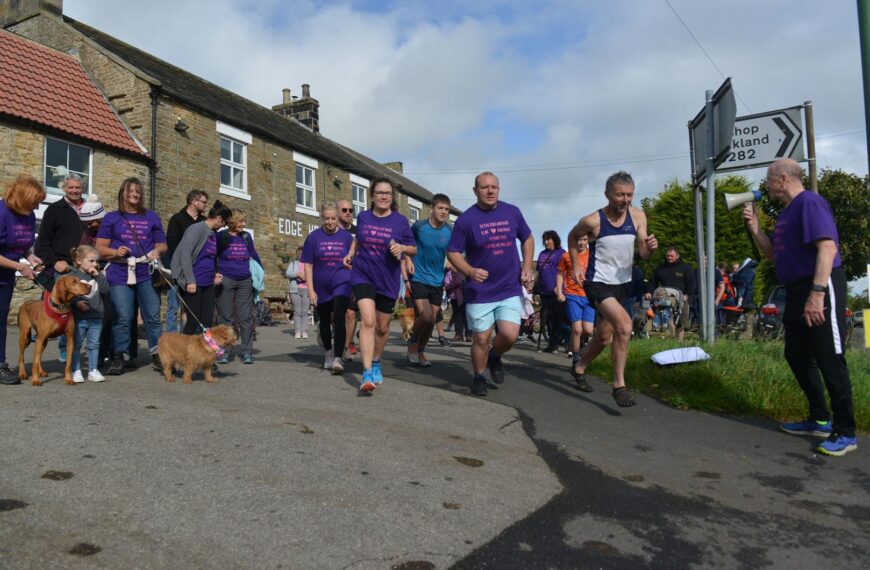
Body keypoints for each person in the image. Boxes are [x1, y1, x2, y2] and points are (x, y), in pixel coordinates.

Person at [743, 158, 856, 456]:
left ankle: (846, 432)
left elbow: (828, 248)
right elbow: (771, 256)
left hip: (820, 283)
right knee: (796, 354)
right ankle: (819, 417)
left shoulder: (810, 203)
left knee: (829, 357)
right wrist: (755, 229)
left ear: (782, 179)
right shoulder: (786, 213)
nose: (766, 185)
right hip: (795, 287)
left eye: (769, 179)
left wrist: (817, 293)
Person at [568, 171, 658, 408]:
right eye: (620, 195)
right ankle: (619, 386)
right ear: (607, 194)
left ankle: (579, 367)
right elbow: (572, 236)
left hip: (623, 284)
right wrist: (577, 265)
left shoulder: (638, 217)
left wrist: (651, 248)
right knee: (625, 326)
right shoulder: (593, 221)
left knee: (604, 337)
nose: (625, 200)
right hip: (597, 283)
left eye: (629, 195)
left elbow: (644, 253)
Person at [446, 172, 534, 397]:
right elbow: (453, 252)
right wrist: (469, 271)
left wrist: (526, 267)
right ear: (475, 191)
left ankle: (495, 356)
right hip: (479, 291)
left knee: (510, 334)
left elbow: (528, 238)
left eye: (494, 187)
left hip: (508, 288)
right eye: (485, 187)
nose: (490, 191)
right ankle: (479, 376)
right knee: (481, 337)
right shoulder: (466, 220)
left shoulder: (512, 212)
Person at [344, 178, 416, 393]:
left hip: (388, 278)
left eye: (387, 193)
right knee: (367, 321)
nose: (383, 196)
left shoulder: (400, 221)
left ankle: (376, 361)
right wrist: (350, 253)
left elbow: (414, 249)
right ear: (372, 196)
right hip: (363, 274)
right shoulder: (364, 217)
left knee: (382, 327)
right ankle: (366, 373)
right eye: (379, 192)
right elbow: (359, 239)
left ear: (392, 197)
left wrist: (401, 247)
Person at [96, 177, 168, 375]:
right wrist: (114, 251)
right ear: (123, 193)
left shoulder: (152, 217)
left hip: (146, 272)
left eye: (138, 191)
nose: (135, 194)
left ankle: (158, 354)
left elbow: (162, 244)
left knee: (153, 315)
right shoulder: (112, 217)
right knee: (124, 317)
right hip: (120, 272)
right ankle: (120, 356)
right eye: (131, 191)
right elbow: (99, 248)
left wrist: (157, 251)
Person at [34, 173, 86, 362]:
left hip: (83, 267)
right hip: (61, 267)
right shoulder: (55, 210)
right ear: (65, 189)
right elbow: (42, 243)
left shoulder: (89, 209)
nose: (74, 191)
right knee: (62, 311)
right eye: (70, 187)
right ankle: (65, 355)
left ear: (83, 189)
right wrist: (54, 262)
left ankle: (82, 351)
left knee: (85, 309)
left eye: (77, 187)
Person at [0, 175, 45, 385]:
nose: (37, 206)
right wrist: (20, 267)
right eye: (35, 201)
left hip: (5, 275)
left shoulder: (28, 215)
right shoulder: (2, 213)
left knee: (0, 320)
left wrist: (30, 256)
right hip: (7, 267)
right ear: (24, 198)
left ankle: (0, 365)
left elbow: (21, 243)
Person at [302, 203, 354, 374]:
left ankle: (338, 358)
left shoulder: (346, 238)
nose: (330, 222)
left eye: (333, 218)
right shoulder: (313, 238)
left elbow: (354, 260)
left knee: (339, 316)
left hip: (342, 282)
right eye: (327, 219)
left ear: (337, 218)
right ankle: (328, 353)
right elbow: (308, 265)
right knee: (325, 321)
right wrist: (310, 290)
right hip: (321, 285)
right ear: (322, 218)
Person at [171, 201, 232, 336]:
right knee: (193, 321)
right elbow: (185, 254)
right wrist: (190, 280)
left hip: (208, 283)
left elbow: (209, 258)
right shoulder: (196, 229)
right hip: (194, 282)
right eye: (224, 224)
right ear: (219, 219)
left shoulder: (213, 234)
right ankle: (184, 353)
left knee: (207, 322)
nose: (223, 227)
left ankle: (203, 353)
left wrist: (214, 274)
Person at [406, 194, 452, 367]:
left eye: (446, 209)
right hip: (418, 276)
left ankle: (421, 352)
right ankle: (413, 341)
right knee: (425, 316)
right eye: (440, 208)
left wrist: (450, 261)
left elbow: (454, 251)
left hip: (437, 279)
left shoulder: (449, 231)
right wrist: (408, 259)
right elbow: (408, 244)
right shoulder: (419, 227)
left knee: (432, 319)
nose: (444, 212)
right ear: (431, 209)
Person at [215, 209, 260, 364]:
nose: (243, 224)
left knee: (245, 317)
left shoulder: (246, 237)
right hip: (226, 279)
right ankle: (225, 352)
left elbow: (254, 256)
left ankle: (246, 352)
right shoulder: (221, 236)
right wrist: (214, 273)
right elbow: (213, 255)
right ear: (232, 222)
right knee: (226, 317)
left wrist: (260, 276)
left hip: (245, 281)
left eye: (244, 221)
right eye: (240, 221)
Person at [556, 233, 595, 391]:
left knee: (588, 330)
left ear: (588, 241)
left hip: (589, 296)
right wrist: (559, 291)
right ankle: (576, 359)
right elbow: (560, 273)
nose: (581, 243)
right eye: (578, 240)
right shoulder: (567, 256)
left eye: (584, 240)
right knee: (577, 329)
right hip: (572, 295)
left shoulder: (592, 255)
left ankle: (580, 349)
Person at [165, 190, 208, 333]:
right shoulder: (177, 219)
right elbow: (171, 244)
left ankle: (190, 340)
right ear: (194, 202)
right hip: (178, 270)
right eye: (203, 201)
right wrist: (181, 264)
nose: (205, 205)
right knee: (173, 306)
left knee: (192, 309)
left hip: (196, 272)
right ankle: (172, 340)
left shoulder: (203, 222)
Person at [68, 245, 109, 383]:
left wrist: (98, 275)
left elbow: (105, 290)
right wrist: (76, 302)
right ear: (79, 260)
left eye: (96, 261)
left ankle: (93, 370)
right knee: (77, 343)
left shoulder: (97, 275)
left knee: (94, 344)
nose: (95, 264)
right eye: (91, 261)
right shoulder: (73, 276)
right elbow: (68, 294)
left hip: (96, 315)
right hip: (79, 317)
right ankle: (76, 369)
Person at [645, 246, 695, 339]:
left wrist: (687, 295)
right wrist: (648, 292)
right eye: (668, 256)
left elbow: (691, 283)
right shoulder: (661, 268)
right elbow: (652, 282)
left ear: (677, 256)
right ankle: (664, 339)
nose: (669, 258)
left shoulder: (685, 268)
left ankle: (679, 343)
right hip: (663, 299)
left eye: (671, 256)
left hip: (681, 299)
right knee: (663, 320)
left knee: (681, 323)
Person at [535, 230, 565, 352]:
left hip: (556, 292)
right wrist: (534, 283)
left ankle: (569, 343)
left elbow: (565, 272)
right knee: (547, 319)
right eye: (544, 239)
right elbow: (539, 271)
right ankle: (552, 345)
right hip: (543, 291)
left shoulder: (561, 253)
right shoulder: (541, 254)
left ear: (555, 240)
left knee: (558, 319)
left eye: (548, 239)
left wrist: (559, 288)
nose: (546, 242)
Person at [337, 199, 359, 358]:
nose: (348, 213)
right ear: (337, 211)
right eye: (344, 210)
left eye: (351, 210)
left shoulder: (358, 232)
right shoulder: (329, 230)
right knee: (334, 314)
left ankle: (345, 347)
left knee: (351, 313)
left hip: (353, 277)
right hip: (333, 277)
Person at [285, 246, 309, 339]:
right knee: (297, 311)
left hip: (306, 289)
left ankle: (304, 331)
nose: (301, 255)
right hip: (295, 290)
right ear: (297, 254)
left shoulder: (309, 264)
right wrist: (298, 274)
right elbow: (288, 273)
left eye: (302, 253)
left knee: (305, 312)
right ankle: (297, 331)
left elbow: (313, 275)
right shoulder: (293, 264)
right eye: (299, 253)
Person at [444, 261, 470, 342]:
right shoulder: (447, 271)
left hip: (461, 296)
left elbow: (458, 281)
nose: (448, 264)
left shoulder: (457, 271)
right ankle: (459, 335)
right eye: (447, 263)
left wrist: (446, 287)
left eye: (449, 263)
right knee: (457, 315)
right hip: (453, 297)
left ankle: (469, 335)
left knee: (465, 316)